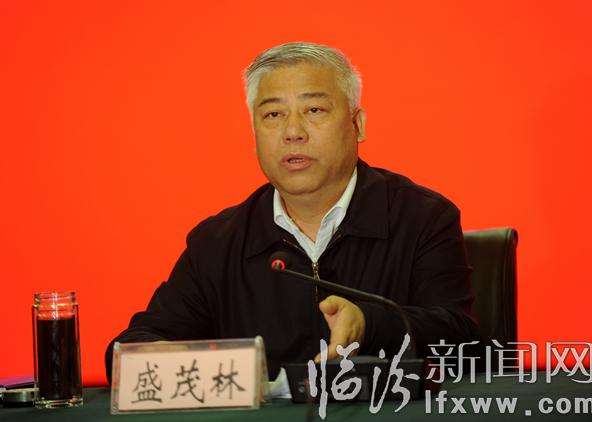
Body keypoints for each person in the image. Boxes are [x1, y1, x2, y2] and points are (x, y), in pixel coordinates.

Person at [105, 42, 477, 382]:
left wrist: (369, 323)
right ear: (254, 134)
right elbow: (133, 345)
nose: (293, 131)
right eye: (273, 115)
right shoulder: (217, 242)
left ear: (357, 125)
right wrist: (153, 357)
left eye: (314, 110)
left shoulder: (422, 218)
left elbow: (462, 342)